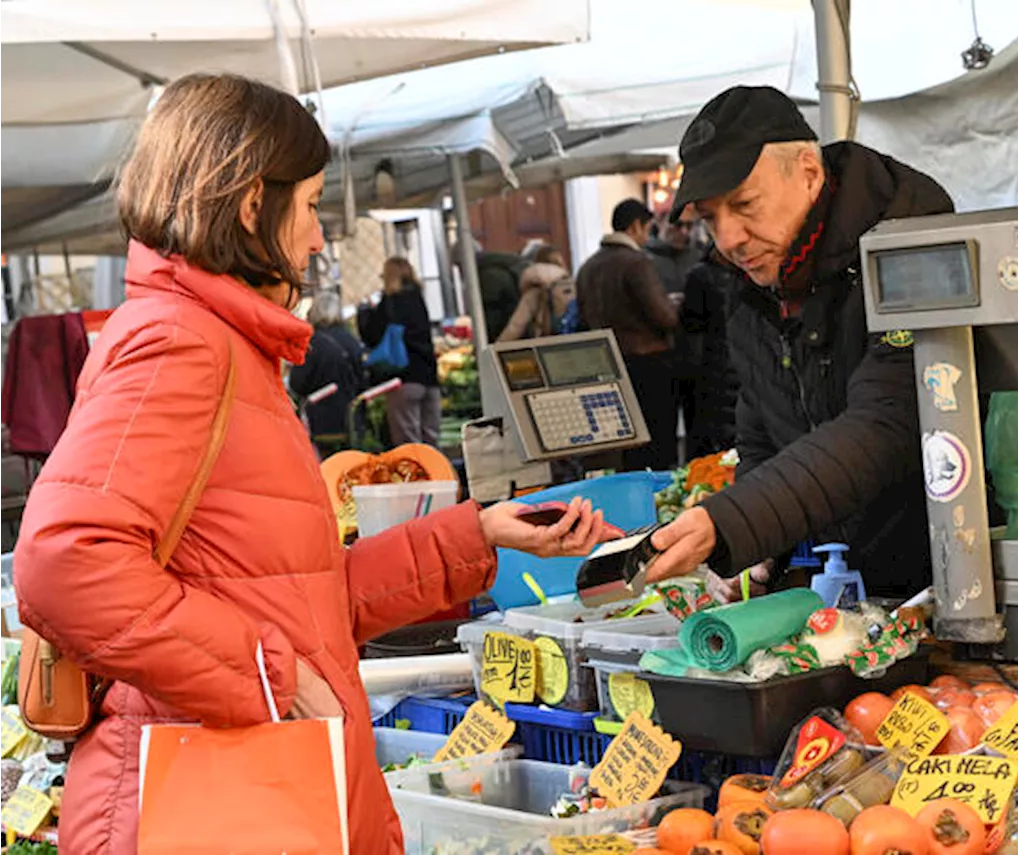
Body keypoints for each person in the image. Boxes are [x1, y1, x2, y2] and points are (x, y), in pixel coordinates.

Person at [12, 72, 614, 855]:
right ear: (251, 203)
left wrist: (477, 534)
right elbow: (64, 563)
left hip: (251, 789)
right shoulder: (180, 343)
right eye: (310, 206)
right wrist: (273, 676)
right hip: (202, 799)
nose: (319, 236)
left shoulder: (228, 349)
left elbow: (302, 598)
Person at [645, 85, 954, 601]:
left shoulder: (910, 243)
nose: (727, 239)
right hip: (852, 593)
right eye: (710, 220)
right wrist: (759, 545)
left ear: (809, 172)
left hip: (951, 576)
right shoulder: (756, 287)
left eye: (744, 204)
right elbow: (760, 429)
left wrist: (735, 521)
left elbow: (887, 421)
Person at [576, 199, 680, 471]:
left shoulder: (587, 267)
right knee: (655, 449)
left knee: (626, 449)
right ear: (635, 226)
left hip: (606, 367)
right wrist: (676, 305)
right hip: (648, 366)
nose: (648, 237)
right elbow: (664, 316)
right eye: (648, 229)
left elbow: (583, 318)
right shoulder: (635, 263)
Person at [364, 257, 443, 448]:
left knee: (408, 442)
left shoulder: (391, 302)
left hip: (403, 378)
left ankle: (418, 478)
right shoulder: (418, 298)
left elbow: (372, 334)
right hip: (429, 377)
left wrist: (366, 312)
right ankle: (437, 474)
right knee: (430, 439)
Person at [680, 239, 740, 458]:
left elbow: (690, 323)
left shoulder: (700, 274)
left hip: (713, 364)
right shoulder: (742, 275)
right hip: (723, 363)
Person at [290, 289, 366, 452]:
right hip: (352, 418)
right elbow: (362, 380)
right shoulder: (351, 340)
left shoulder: (312, 343)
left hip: (321, 420)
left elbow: (297, 384)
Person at [496, 243, 576, 341]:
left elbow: (515, 327)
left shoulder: (535, 292)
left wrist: (495, 349)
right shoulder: (574, 286)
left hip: (548, 345)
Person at [646, 216, 701, 296]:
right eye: (678, 225)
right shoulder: (643, 259)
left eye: (689, 225)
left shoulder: (698, 257)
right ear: (659, 222)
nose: (684, 231)